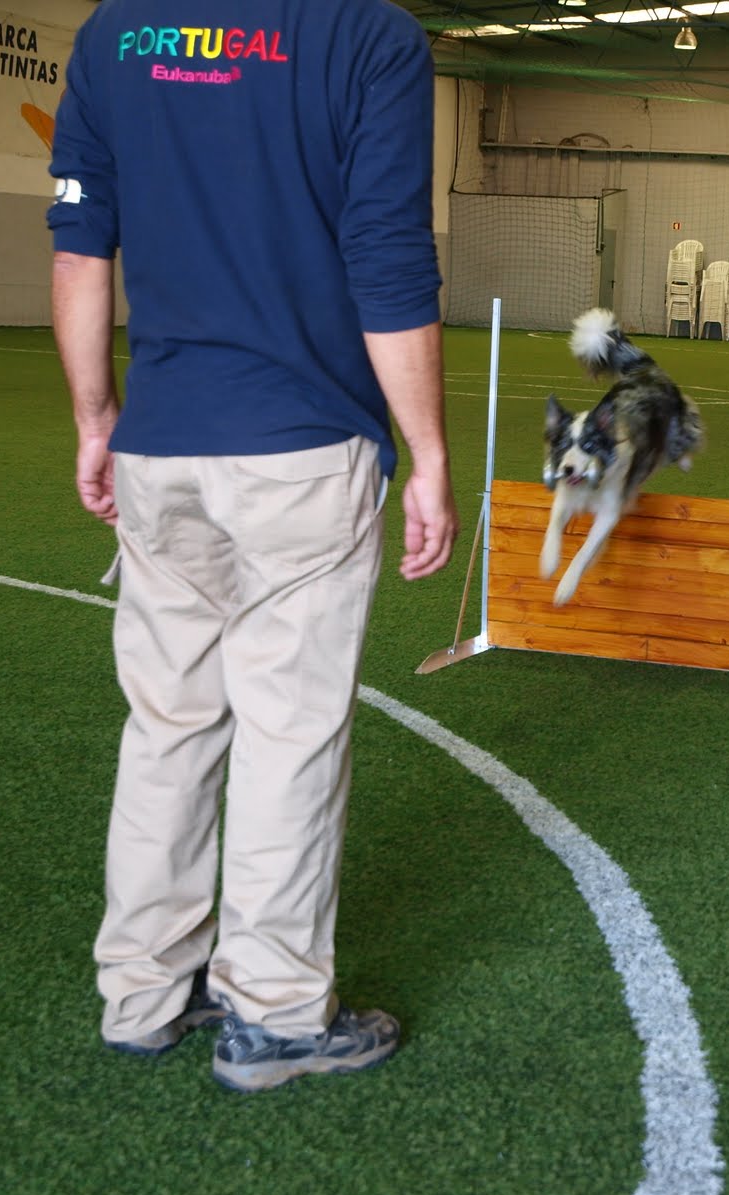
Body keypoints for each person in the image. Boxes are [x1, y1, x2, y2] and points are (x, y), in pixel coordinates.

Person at [46, 0, 457, 1093]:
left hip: (161, 446)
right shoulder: (368, 36)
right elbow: (387, 253)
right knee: (289, 731)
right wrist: (427, 450)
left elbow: (79, 249)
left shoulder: (115, 34)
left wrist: (96, 420)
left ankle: (143, 996)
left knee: (167, 725)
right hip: (301, 448)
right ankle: (273, 1016)